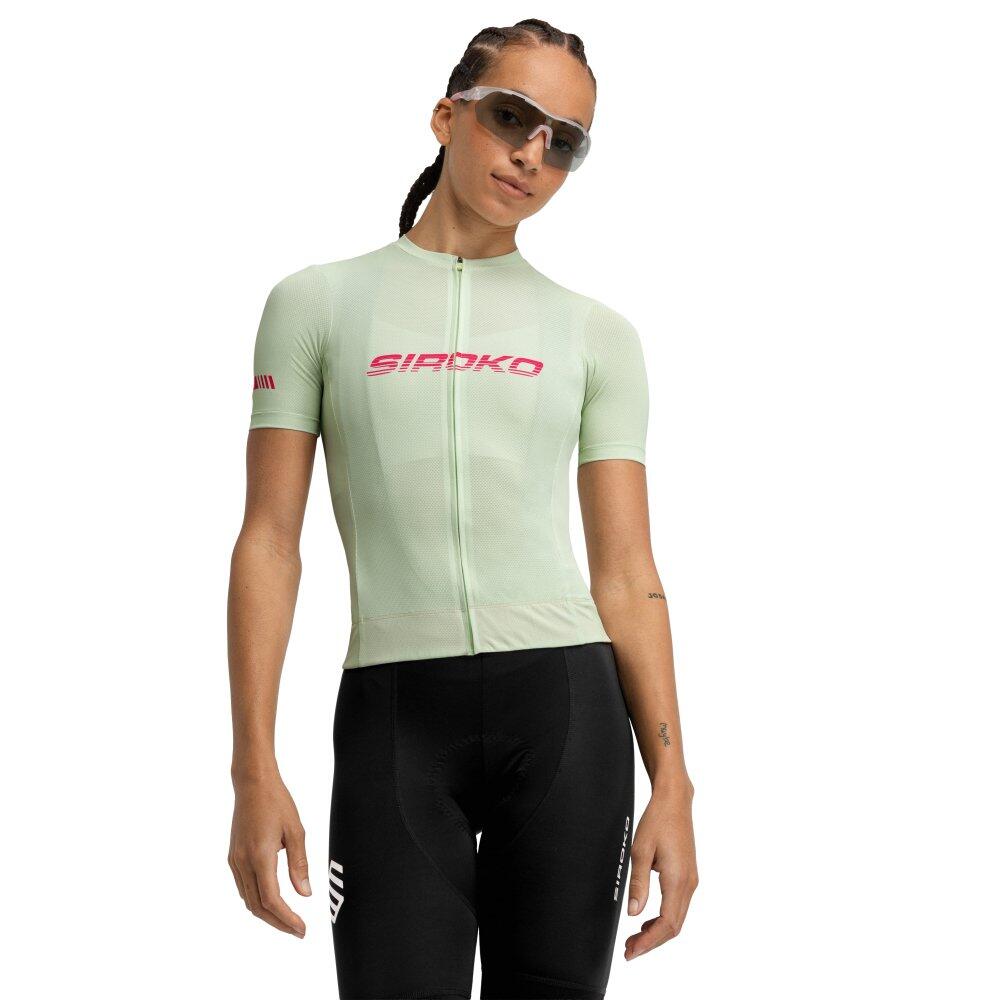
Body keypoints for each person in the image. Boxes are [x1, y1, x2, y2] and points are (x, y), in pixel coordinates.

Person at [227, 18, 697, 1000]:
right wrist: (253, 766)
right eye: (511, 117)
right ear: (448, 116)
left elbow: (626, 572)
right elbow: (269, 541)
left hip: (567, 712)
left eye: (564, 142)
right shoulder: (314, 305)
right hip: (395, 719)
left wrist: (675, 784)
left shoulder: (596, 334)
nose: (532, 153)